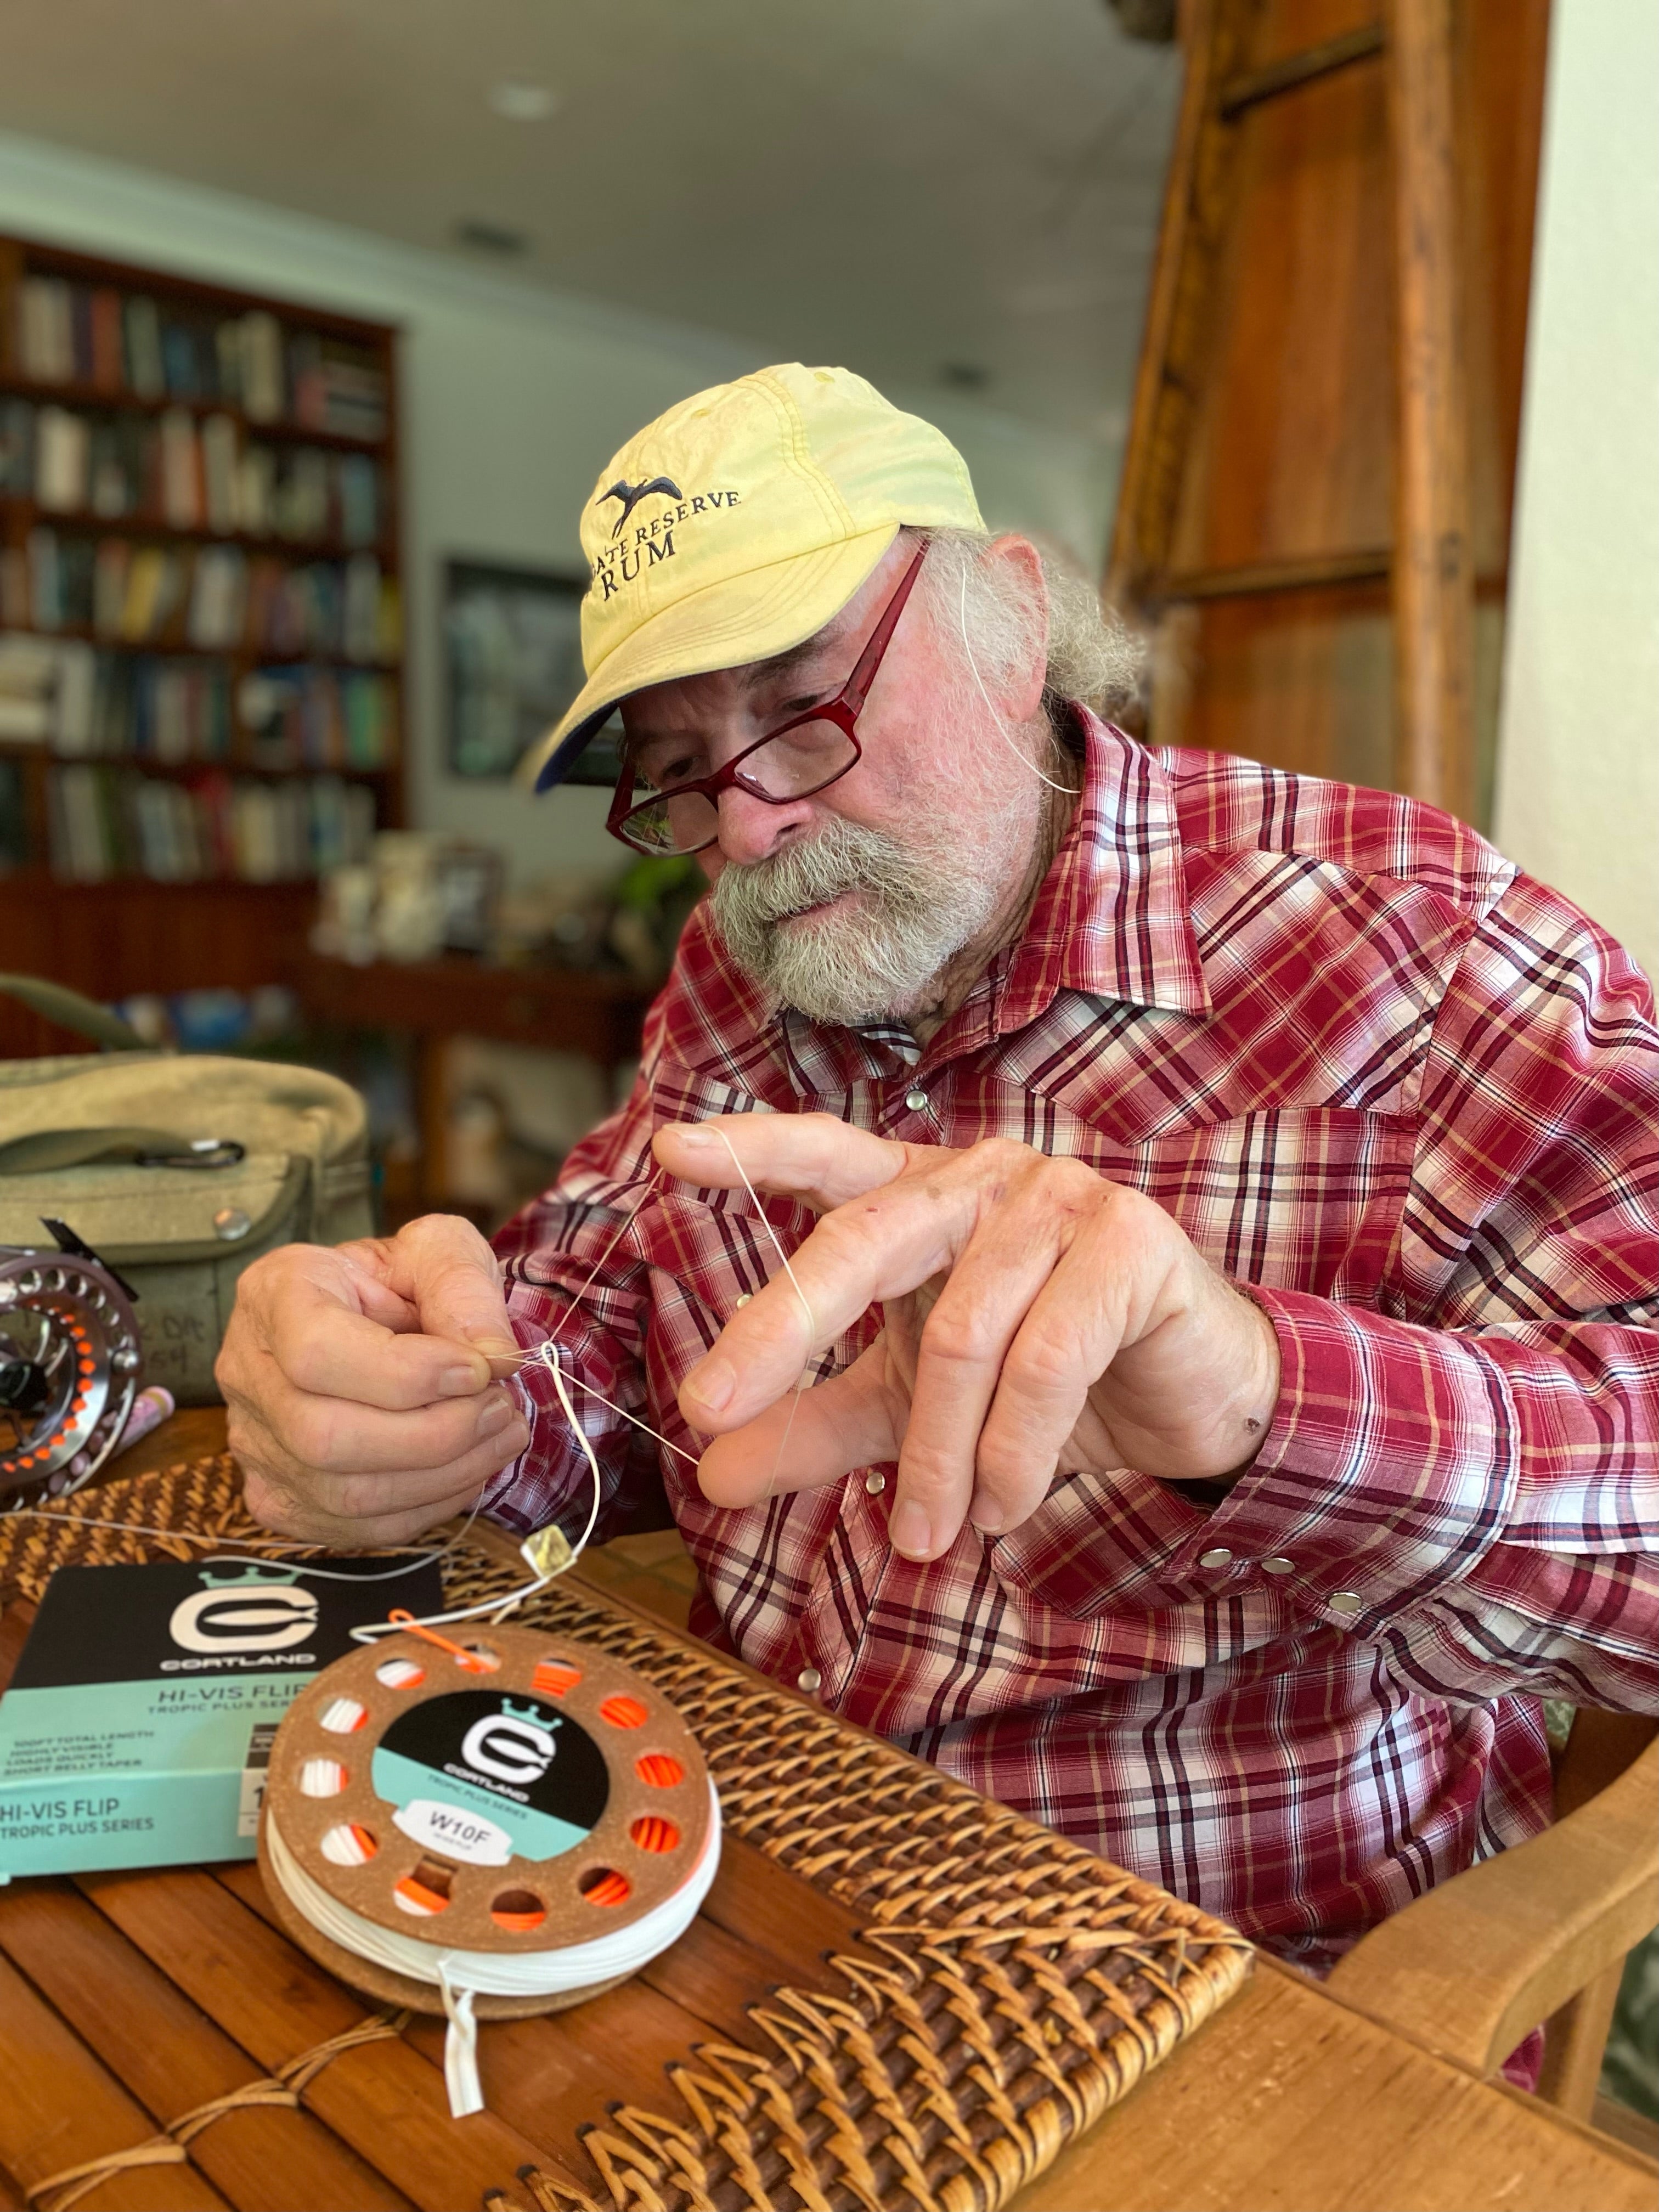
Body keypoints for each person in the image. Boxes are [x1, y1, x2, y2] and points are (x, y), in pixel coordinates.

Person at [219, 365, 1657, 2013]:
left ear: (1018, 622)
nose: (748, 830)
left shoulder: (1416, 947)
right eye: (680, 770)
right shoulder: (739, 964)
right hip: (725, 1879)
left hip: (1216, 1999)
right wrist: (429, 1391)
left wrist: (1257, 1395)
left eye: (804, 702)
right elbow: (606, 1342)